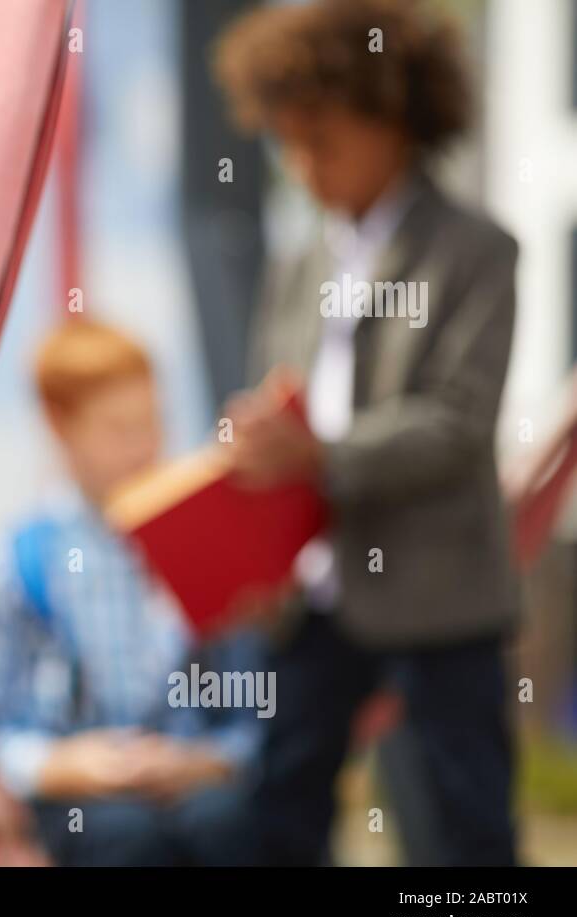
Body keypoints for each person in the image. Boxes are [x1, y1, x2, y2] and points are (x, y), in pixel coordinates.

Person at [213, 0, 518, 864]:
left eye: (325, 141)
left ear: (397, 122)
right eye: (290, 143)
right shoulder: (300, 260)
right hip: (315, 592)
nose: (305, 167)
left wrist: (317, 455)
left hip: (440, 597)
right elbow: (279, 391)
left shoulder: (476, 250)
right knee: (280, 812)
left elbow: (459, 423)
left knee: (464, 830)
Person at [0, 319, 261, 866]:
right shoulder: (11, 562)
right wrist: (72, 766)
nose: (144, 446)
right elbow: (1, 734)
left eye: (153, 422)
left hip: (196, 781)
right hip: (88, 805)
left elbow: (249, 713)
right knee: (125, 837)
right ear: (60, 427)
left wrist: (202, 761)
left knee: (224, 822)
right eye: (118, 429)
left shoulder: (205, 536)